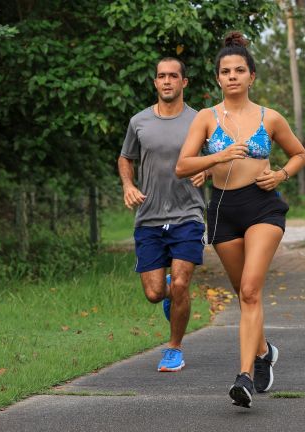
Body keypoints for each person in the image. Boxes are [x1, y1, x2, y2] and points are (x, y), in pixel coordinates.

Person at [176, 32, 305, 408]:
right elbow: (182, 166)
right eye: (225, 71)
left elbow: (299, 154)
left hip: (263, 206)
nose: (232, 76)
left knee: (251, 290)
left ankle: (245, 376)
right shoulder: (205, 118)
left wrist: (280, 174)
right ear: (217, 78)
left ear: (252, 76)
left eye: (239, 70)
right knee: (242, 293)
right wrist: (216, 158)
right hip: (222, 210)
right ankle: (265, 351)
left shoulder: (271, 117)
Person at [118, 57, 207, 373]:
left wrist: (207, 170)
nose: (167, 81)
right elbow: (126, 158)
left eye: (173, 76)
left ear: (184, 82)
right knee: (155, 293)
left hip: (188, 215)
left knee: (182, 285)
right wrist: (128, 184)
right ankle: (170, 290)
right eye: (161, 76)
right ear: (155, 83)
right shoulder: (138, 122)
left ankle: (174, 348)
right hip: (149, 218)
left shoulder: (200, 120)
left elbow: (218, 157)